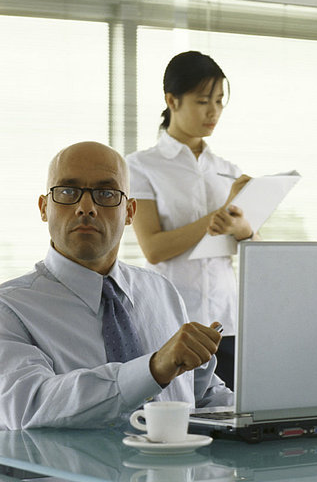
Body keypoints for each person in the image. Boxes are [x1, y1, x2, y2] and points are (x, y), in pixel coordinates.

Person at [0, 141, 233, 430]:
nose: (86, 208)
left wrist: (262, 412)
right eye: (68, 192)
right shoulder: (9, 309)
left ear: (130, 212)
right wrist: (152, 369)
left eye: (107, 193)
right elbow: (27, 407)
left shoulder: (163, 292)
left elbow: (204, 395)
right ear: (44, 207)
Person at [126, 51, 254, 390]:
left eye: (219, 101)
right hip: (172, 322)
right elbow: (153, 248)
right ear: (172, 100)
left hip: (228, 321)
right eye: (202, 101)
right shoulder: (141, 166)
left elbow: (250, 243)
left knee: (234, 422)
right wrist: (215, 217)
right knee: (180, 418)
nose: (213, 111)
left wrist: (241, 228)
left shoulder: (228, 169)